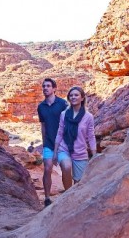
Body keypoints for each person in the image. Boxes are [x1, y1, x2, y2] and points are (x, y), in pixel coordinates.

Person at [53, 86, 96, 190]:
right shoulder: (64, 114)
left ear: (82, 98)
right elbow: (60, 133)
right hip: (64, 149)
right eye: (71, 95)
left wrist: (95, 156)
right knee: (66, 167)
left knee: (79, 184)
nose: (73, 97)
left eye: (76, 95)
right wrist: (55, 152)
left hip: (80, 152)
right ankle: (67, 195)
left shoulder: (88, 116)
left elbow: (91, 137)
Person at [36, 78, 68, 207]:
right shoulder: (41, 107)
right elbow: (43, 126)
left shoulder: (63, 104)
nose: (45, 88)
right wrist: (44, 143)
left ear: (54, 89)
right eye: (44, 86)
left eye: (48, 86)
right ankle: (47, 198)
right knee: (47, 168)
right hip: (49, 143)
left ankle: (68, 193)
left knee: (66, 168)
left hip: (63, 143)